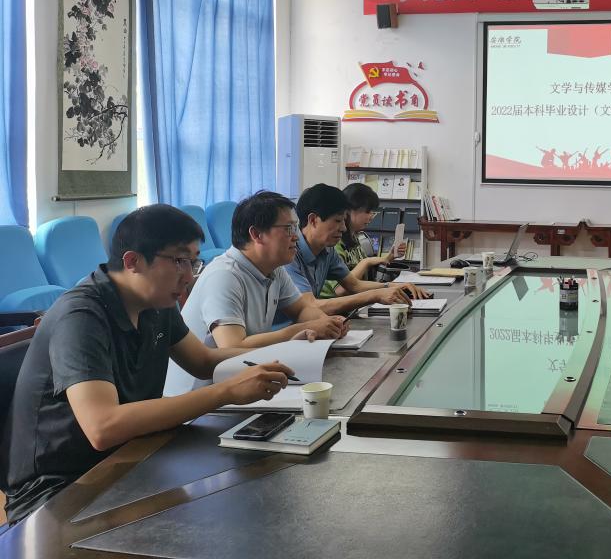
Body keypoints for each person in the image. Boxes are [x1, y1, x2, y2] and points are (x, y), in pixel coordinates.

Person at [0, 205, 295, 524]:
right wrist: (224, 392)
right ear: (132, 262)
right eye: (179, 261)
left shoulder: (156, 302)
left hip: (130, 457)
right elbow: (103, 427)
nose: (189, 276)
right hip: (60, 492)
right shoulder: (81, 317)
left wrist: (284, 352)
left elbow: (203, 361)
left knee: (247, 496)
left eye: (193, 261)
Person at [165, 191, 347, 395]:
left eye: (295, 227)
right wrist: (302, 329)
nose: (296, 236)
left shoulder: (274, 269)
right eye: (288, 229)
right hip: (200, 395)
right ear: (257, 234)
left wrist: (326, 324)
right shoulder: (225, 275)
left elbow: (301, 309)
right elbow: (232, 345)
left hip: (239, 379)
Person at [292, 184, 428, 313]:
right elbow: (310, 307)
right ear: (313, 220)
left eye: (344, 221)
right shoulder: (290, 255)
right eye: (338, 221)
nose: (343, 228)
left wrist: (392, 286)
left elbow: (354, 285)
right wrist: (375, 295)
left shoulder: (328, 250)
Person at [329, 182, 406, 284]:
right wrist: (366, 262)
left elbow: (367, 275)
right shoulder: (335, 243)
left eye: (372, 212)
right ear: (349, 210)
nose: (371, 217)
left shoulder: (355, 238)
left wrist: (390, 257)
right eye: (367, 212)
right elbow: (340, 288)